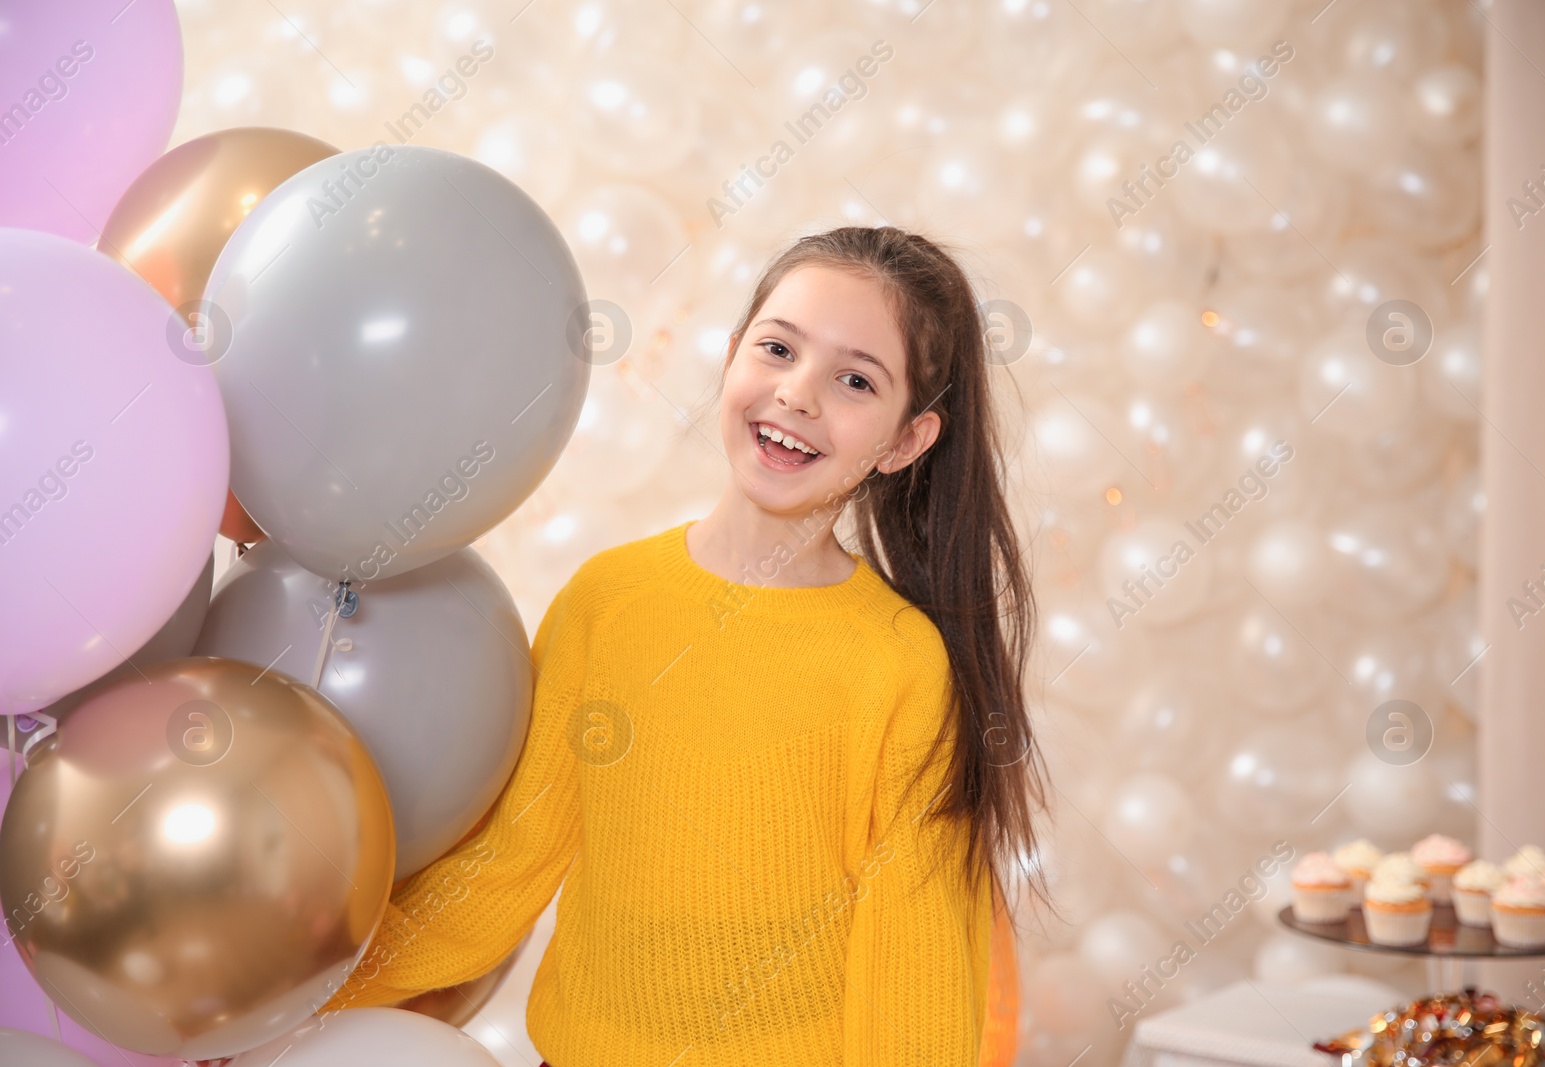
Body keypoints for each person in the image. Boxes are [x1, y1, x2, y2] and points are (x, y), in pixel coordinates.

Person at [316, 225, 1056, 1065]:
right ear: (735, 352)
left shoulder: (899, 665)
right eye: (778, 349)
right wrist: (295, 999)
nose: (798, 394)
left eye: (855, 379)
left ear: (906, 441)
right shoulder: (609, 600)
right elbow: (504, 870)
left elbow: (913, 986)